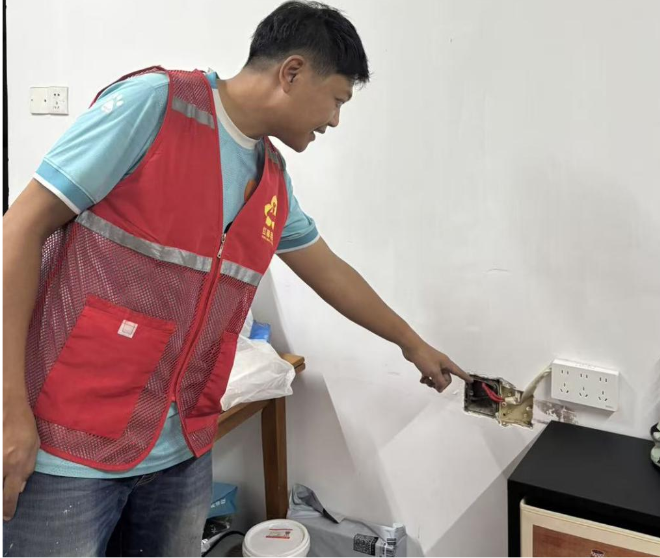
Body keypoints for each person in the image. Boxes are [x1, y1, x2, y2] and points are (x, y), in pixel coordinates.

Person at [1, 2, 471, 555]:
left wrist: (412, 344)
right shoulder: (155, 105)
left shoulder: (269, 176)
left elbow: (329, 271)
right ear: (292, 72)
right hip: (68, 445)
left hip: (181, 448)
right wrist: (10, 409)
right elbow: (18, 230)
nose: (336, 121)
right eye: (338, 99)